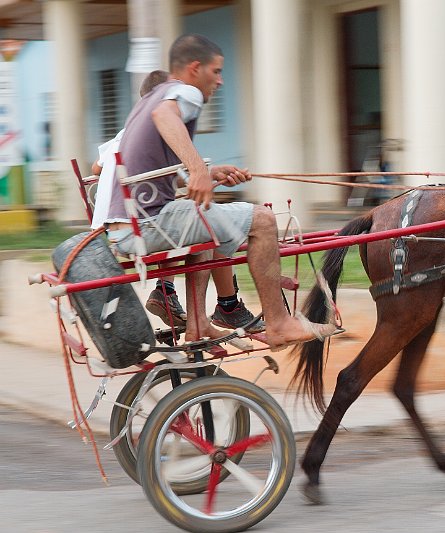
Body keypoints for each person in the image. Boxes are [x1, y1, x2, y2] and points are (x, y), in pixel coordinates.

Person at [105, 34, 336, 348]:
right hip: (145, 225)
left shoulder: (151, 96)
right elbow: (165, 117)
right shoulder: (184, 92)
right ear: (195, 68)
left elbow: (153, 164)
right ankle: (279, 323)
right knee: (264, 220)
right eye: (216, 72)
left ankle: (198, 324)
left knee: (203, 219)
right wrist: (198, 170)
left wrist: (208, 174)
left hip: (130, 225)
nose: (220, 81)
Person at [91, 70, 264, 333]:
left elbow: (96, 167)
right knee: (206, 220)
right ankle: (227, 305)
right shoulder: (158, 125)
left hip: (120, 223)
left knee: (184, 213)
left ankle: (167, 289)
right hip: (140, 223)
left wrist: (210, 173)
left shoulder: (127, 134)